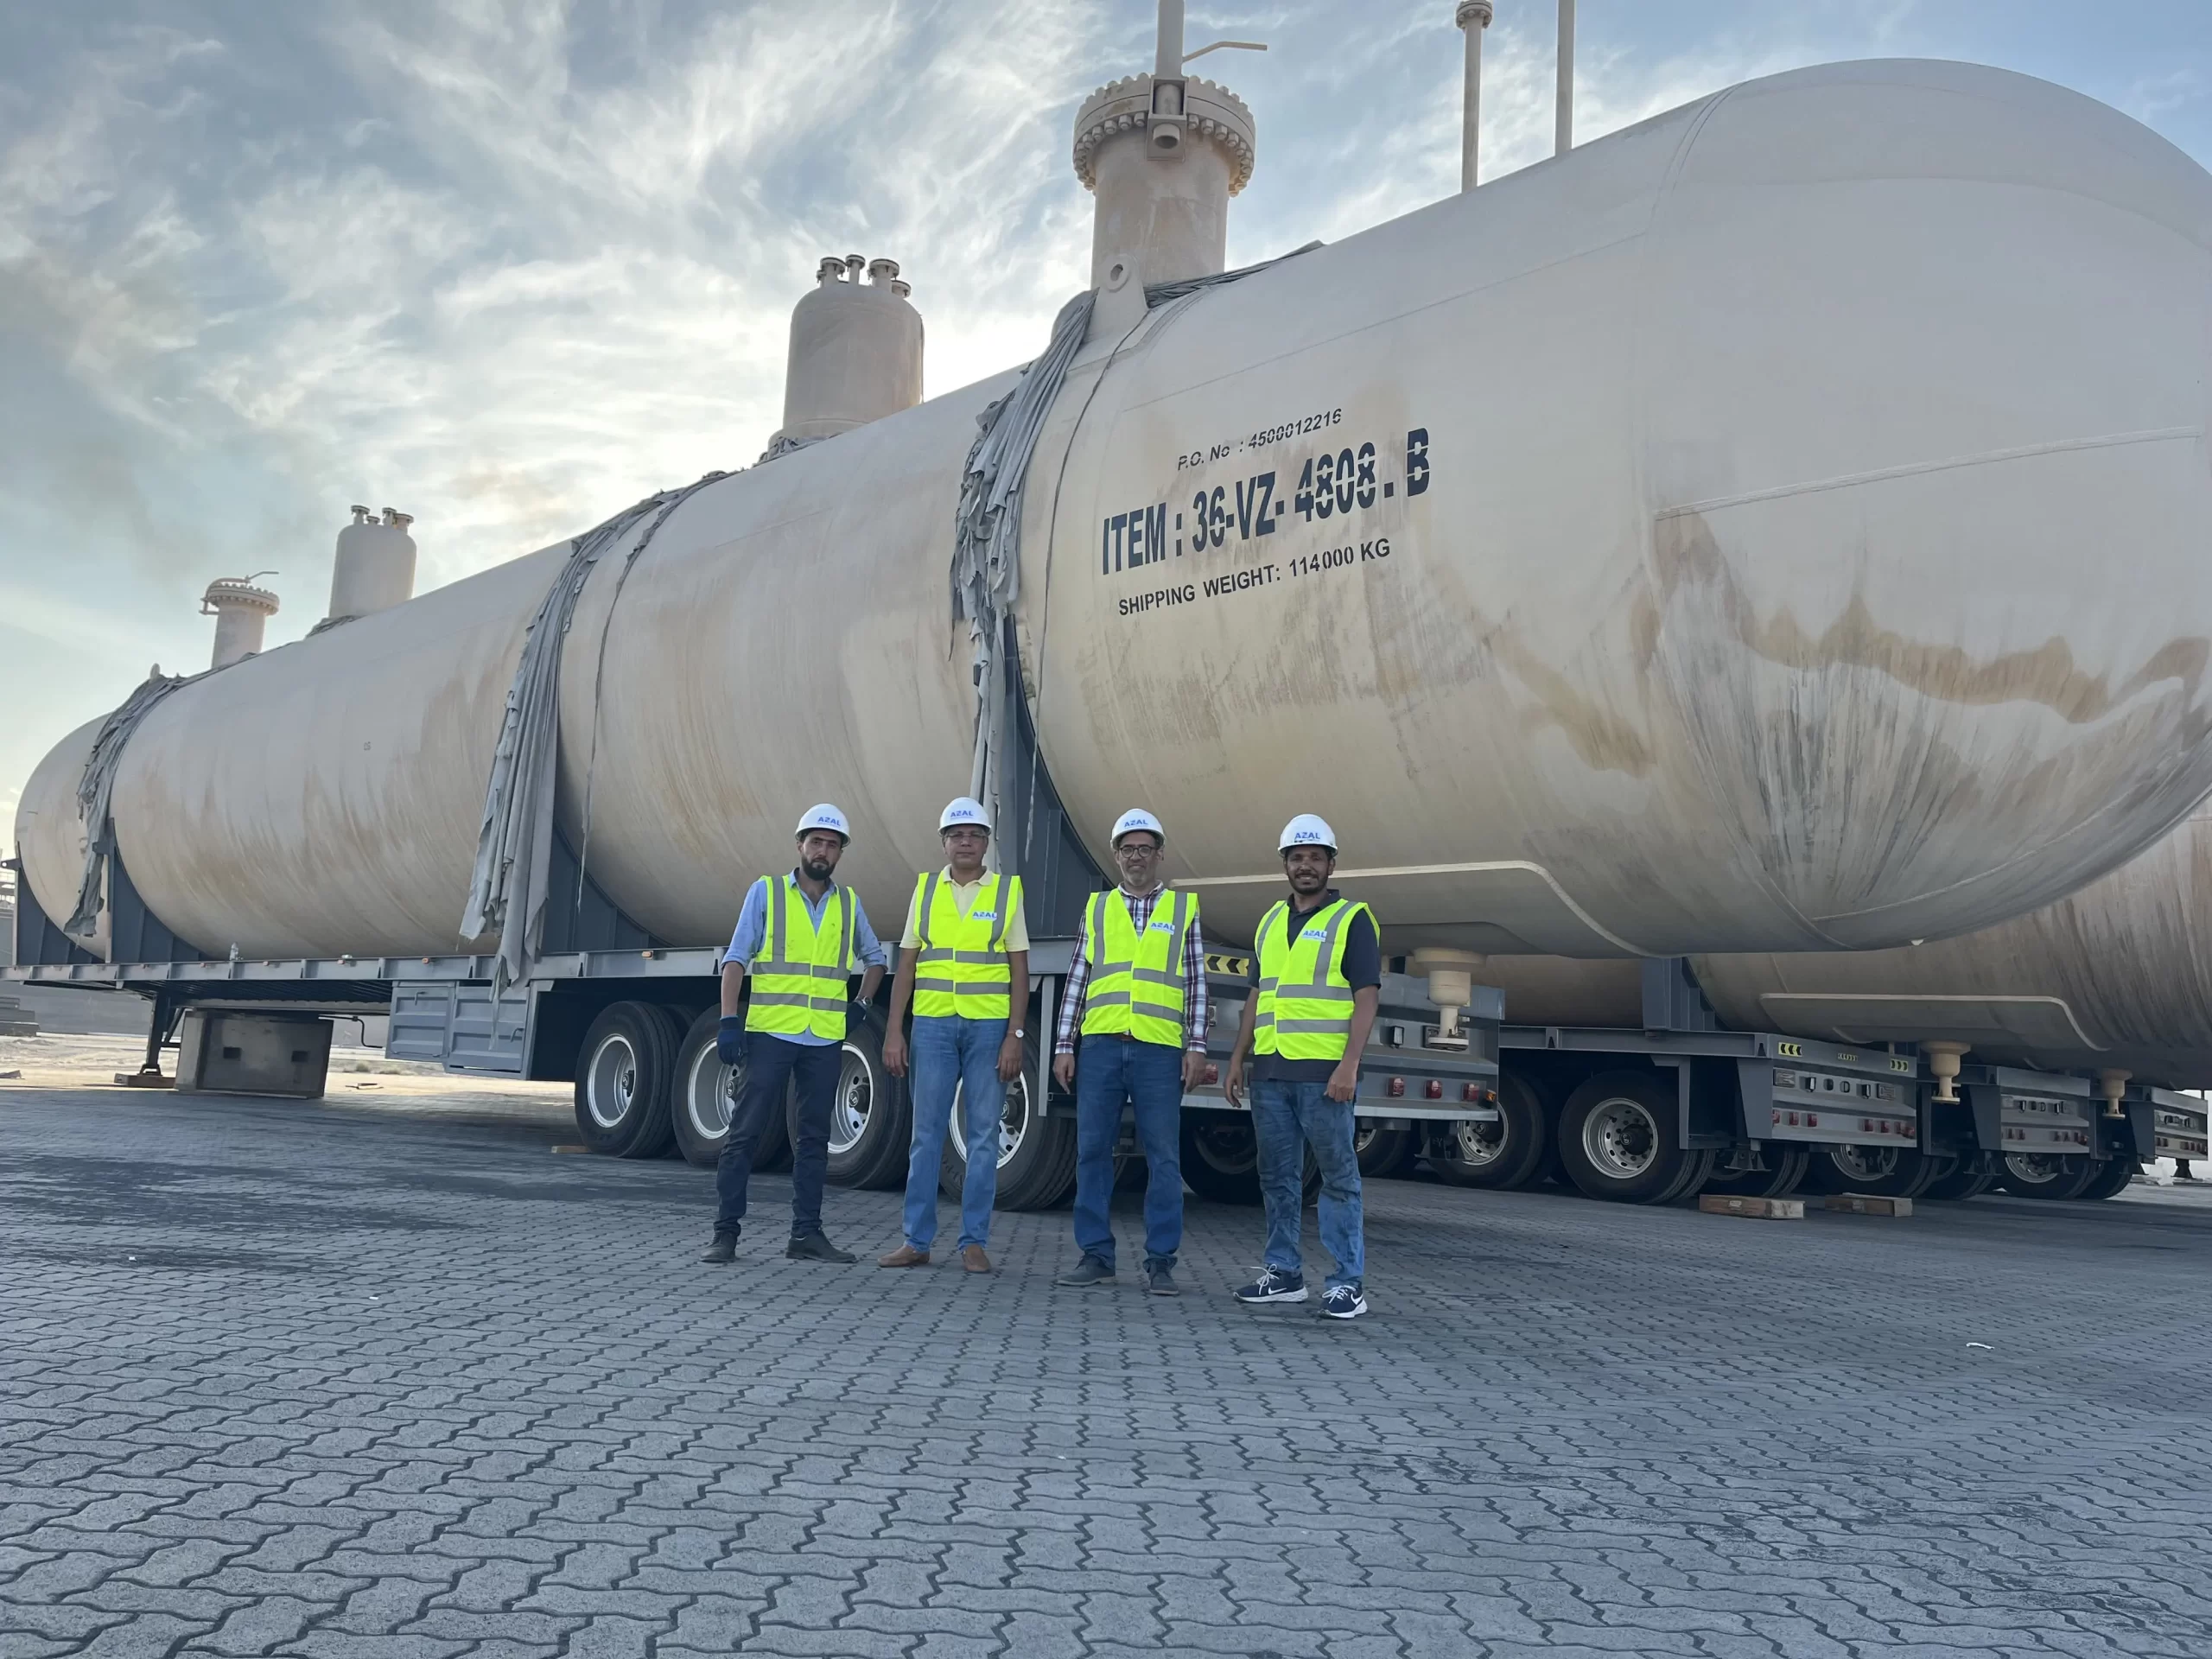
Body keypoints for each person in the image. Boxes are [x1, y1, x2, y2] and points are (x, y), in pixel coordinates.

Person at [702, 804, 887, 1265]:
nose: (823, 851)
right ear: (800, 845)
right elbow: (736, 959)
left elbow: (876, 959)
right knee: (744, 1133)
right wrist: (729, 1020)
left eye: (832, 845)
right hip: (770, 1034)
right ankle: (725, 1234)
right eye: (816, 842)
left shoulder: (848, 903)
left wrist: (861, 1006)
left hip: (823, 1038)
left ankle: (806, 1235)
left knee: (814, 1141)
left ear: (840, 853)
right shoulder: (766, 892)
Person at [1223, 815, 1381, 1320]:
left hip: (1324, 1076)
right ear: (1285, 864)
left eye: (1315, 857)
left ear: (1331, 864)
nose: (1305, 865)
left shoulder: (1353, 919)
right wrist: (1238, 1058)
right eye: (1297, 857)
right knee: (1276, 1178)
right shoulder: (1270, 921)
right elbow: (1256, 996)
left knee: (1338, 1178)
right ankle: (1284, 1273)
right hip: (1270, 1073)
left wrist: (1349, 1066)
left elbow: (1367, 997)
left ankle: (1347, 1283)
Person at [1051, 809, 1209, 1296]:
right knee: (1092, 1152)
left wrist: (1196, 1046)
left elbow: (1196, 981)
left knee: (1164, 1158)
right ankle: (1096, 1255)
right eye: (1127, 849)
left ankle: (1161, 1262)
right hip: (1100, 1047)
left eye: (1144, 848)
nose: (1135, 857)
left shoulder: (1183, 909)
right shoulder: (1098, 909)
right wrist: (1064, 1044)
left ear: (1159, 854)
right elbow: (1078, 978)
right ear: (1116, 856)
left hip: (1159, 1050)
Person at [877, 797, 1031, 1274]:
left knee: (983, 1137)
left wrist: (1015, 1035)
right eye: (957, 835)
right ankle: (916, 1241)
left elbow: (1020, 971)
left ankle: (973, 1242)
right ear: (944, 843)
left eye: (975, 835)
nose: (966, 842)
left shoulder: (1006, 892)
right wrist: (894, 1031)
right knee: (925, 1135)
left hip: (988, 1029)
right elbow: (906, 966)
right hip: (933, 1027)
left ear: (987, 843)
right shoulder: (925, 890)